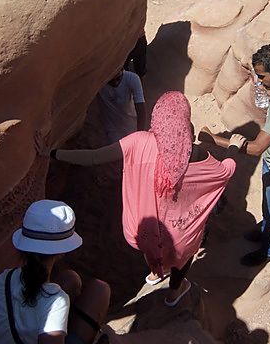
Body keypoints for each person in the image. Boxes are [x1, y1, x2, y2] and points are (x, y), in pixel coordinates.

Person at [51, 92, 244, 306]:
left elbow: (95, 157)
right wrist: (233, 147)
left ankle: (155, 271)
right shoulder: (197, 155)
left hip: (140, 231)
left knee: (152, 245)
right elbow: (225, 172)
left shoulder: (139, 142)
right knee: (184, 256)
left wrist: (55, 154)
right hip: (180, 236)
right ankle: (174, 293)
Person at [200, 45, 270, 266]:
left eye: (262, 76)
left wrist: (215, 140)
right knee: (269, 205)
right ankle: (265, 229)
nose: (259, 82)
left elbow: (256, 148)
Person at [0, 200, 111, 344]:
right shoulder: (56, 301)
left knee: (71, 279)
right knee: (100, 290)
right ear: (61, 252)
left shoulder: (4, 279)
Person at [98, 70, 146, 143]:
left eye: (118, 79)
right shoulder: (98, 83)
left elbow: (141, 110)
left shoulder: (132, 78)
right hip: (112, 130)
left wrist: (140, 135)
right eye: (112, 80)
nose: (116, 83)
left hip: (131, 127)